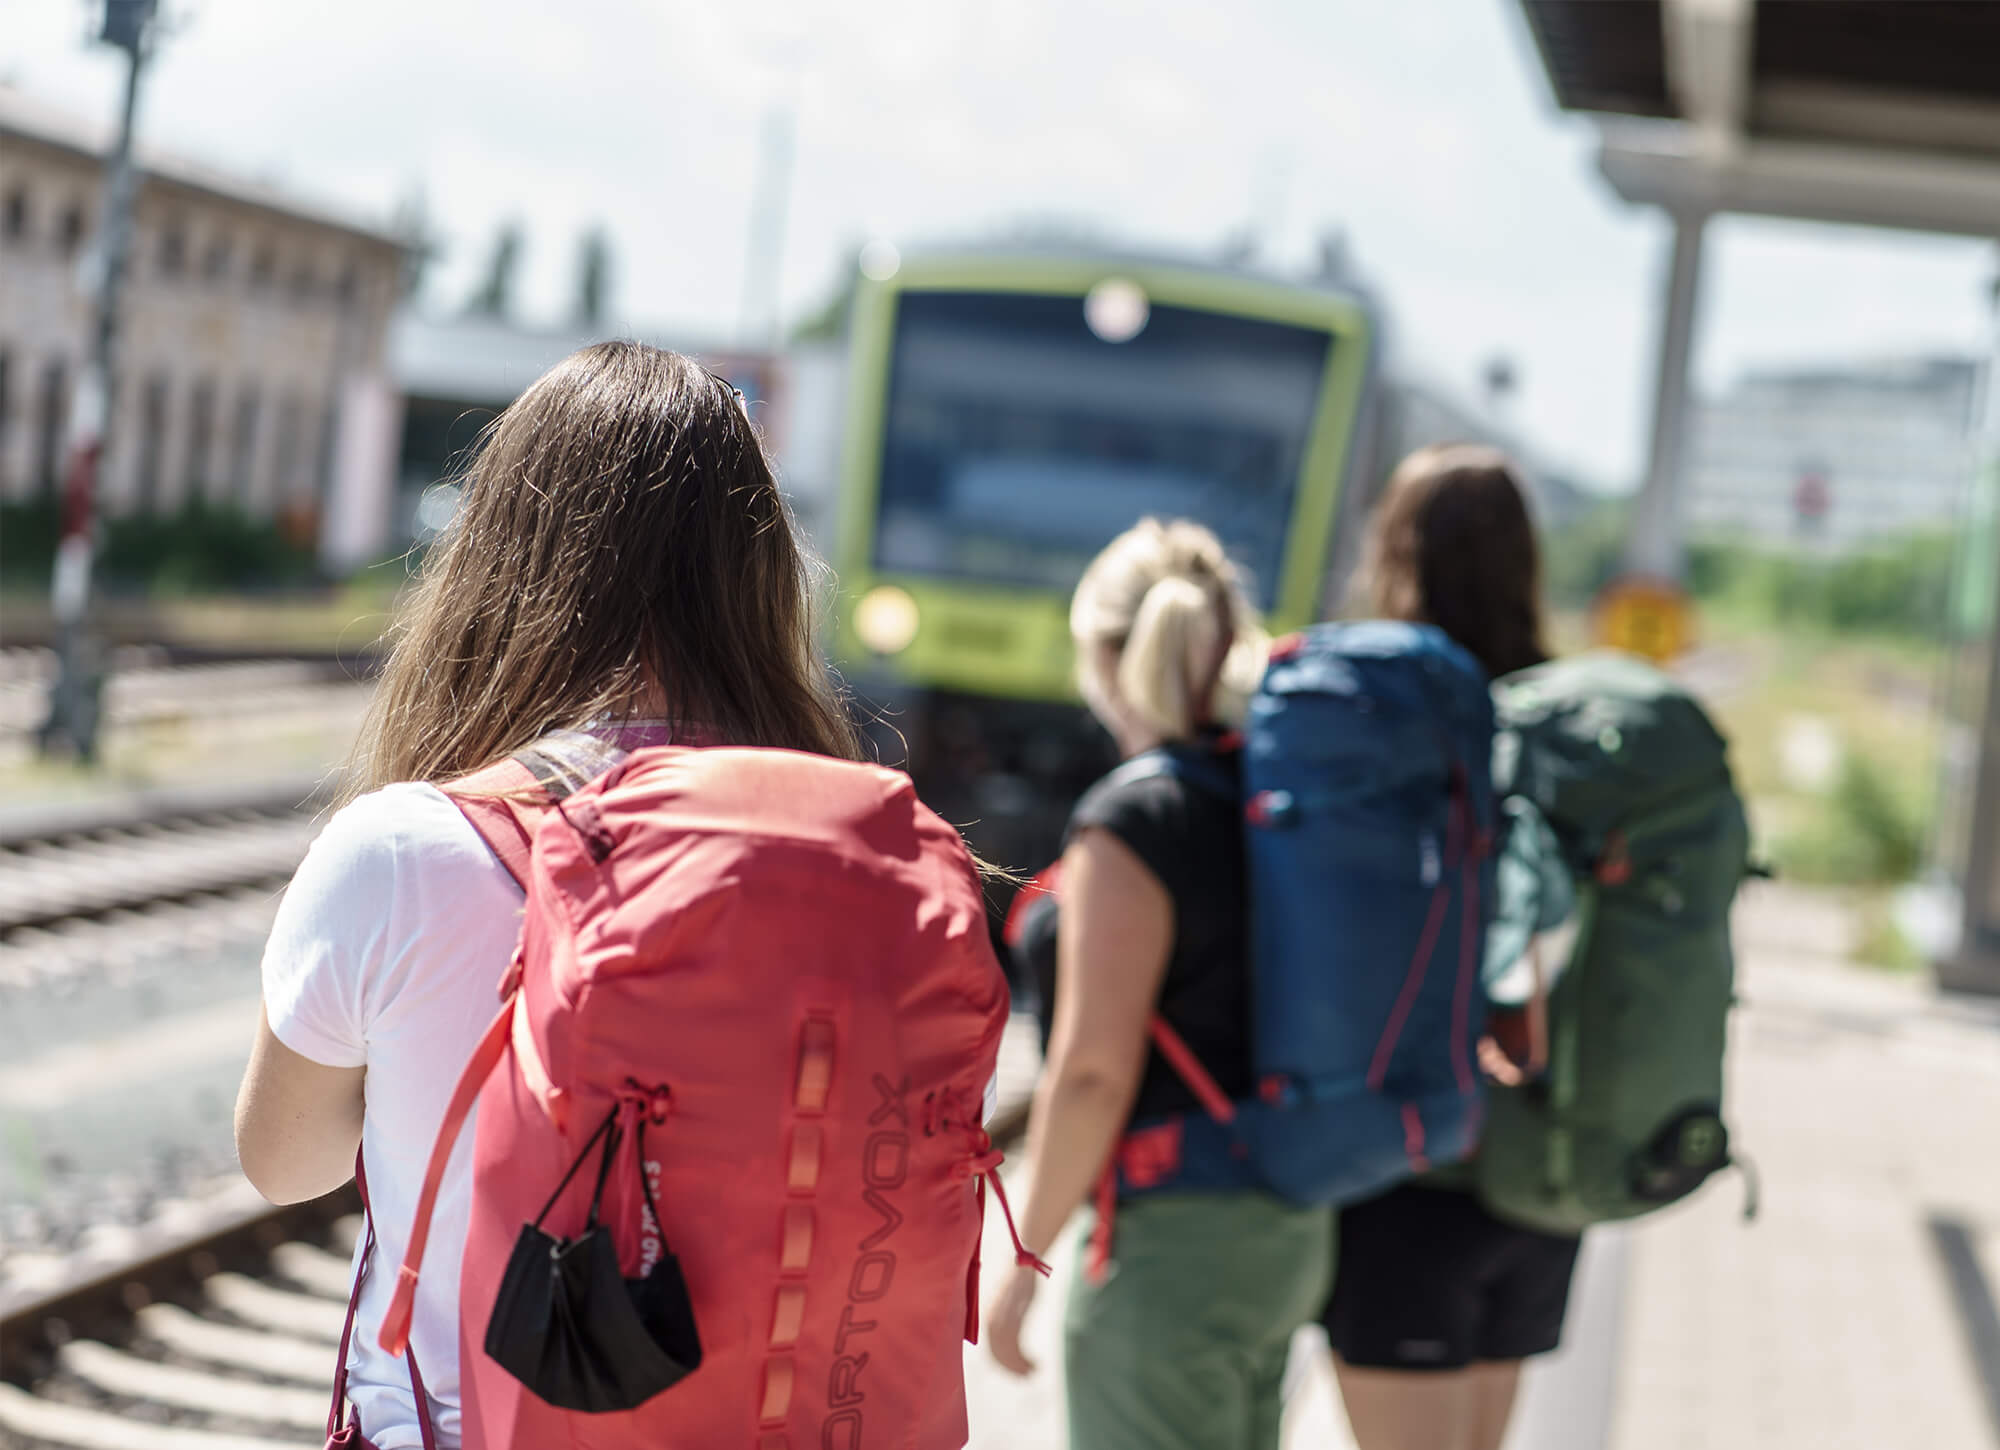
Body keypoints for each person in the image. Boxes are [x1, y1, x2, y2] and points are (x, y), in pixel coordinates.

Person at [233, 342, 862, 1449]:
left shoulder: (400, 852)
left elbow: (285, 1162)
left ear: (498, 561)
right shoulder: (844, 865)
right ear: (759, 583)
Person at [987, 518, 1334, 1450]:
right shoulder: (1270, 793)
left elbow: (1092, 1071)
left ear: (1103, 654)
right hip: (1286, 1229)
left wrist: (1025, 1260)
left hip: (1171, 1248)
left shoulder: (1136, 819)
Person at [1321, 443, 1579, 1450]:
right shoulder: (1562, 721)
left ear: (1395, 552)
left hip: (1407, 1170)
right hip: (1538, 1165)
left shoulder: (1375, 715)